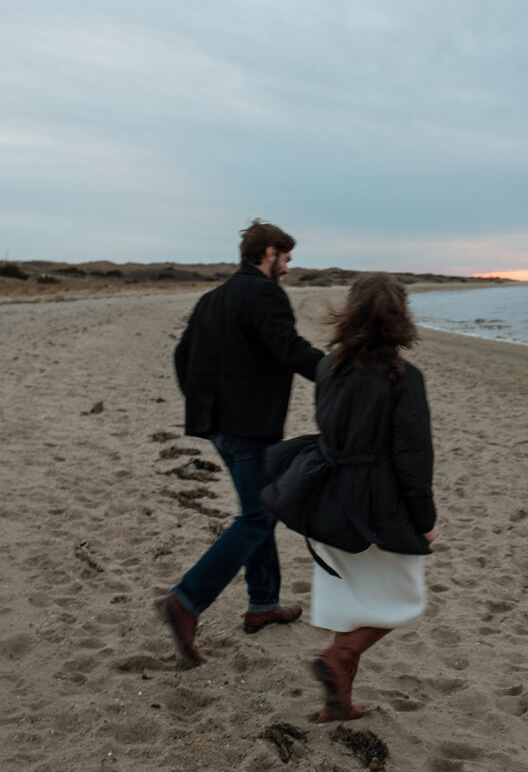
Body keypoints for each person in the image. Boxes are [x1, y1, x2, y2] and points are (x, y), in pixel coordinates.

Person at [156, 219, 324, 665]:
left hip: (217, 426)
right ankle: (186, 600)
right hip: (249, 427)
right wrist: (339, 374)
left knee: (261, 506)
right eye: (286, 258)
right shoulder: (264, 293)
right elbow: (288, 348)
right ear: (269, 253)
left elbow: (182, 355)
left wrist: (204, 403)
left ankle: (263, 603)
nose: (288, 268)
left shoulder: (212, 298)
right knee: (258, 514)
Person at [303, 273, 438, 722]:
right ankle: (339, 660)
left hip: (329, 495)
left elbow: (327, 429)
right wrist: (425, 519)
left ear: (352, 311)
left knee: (348, 601)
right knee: (404, 598)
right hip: (379, 503)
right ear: (401, 317)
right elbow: (413, 459)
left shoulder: (328, 367)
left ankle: (338, 702)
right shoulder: (404, 377)